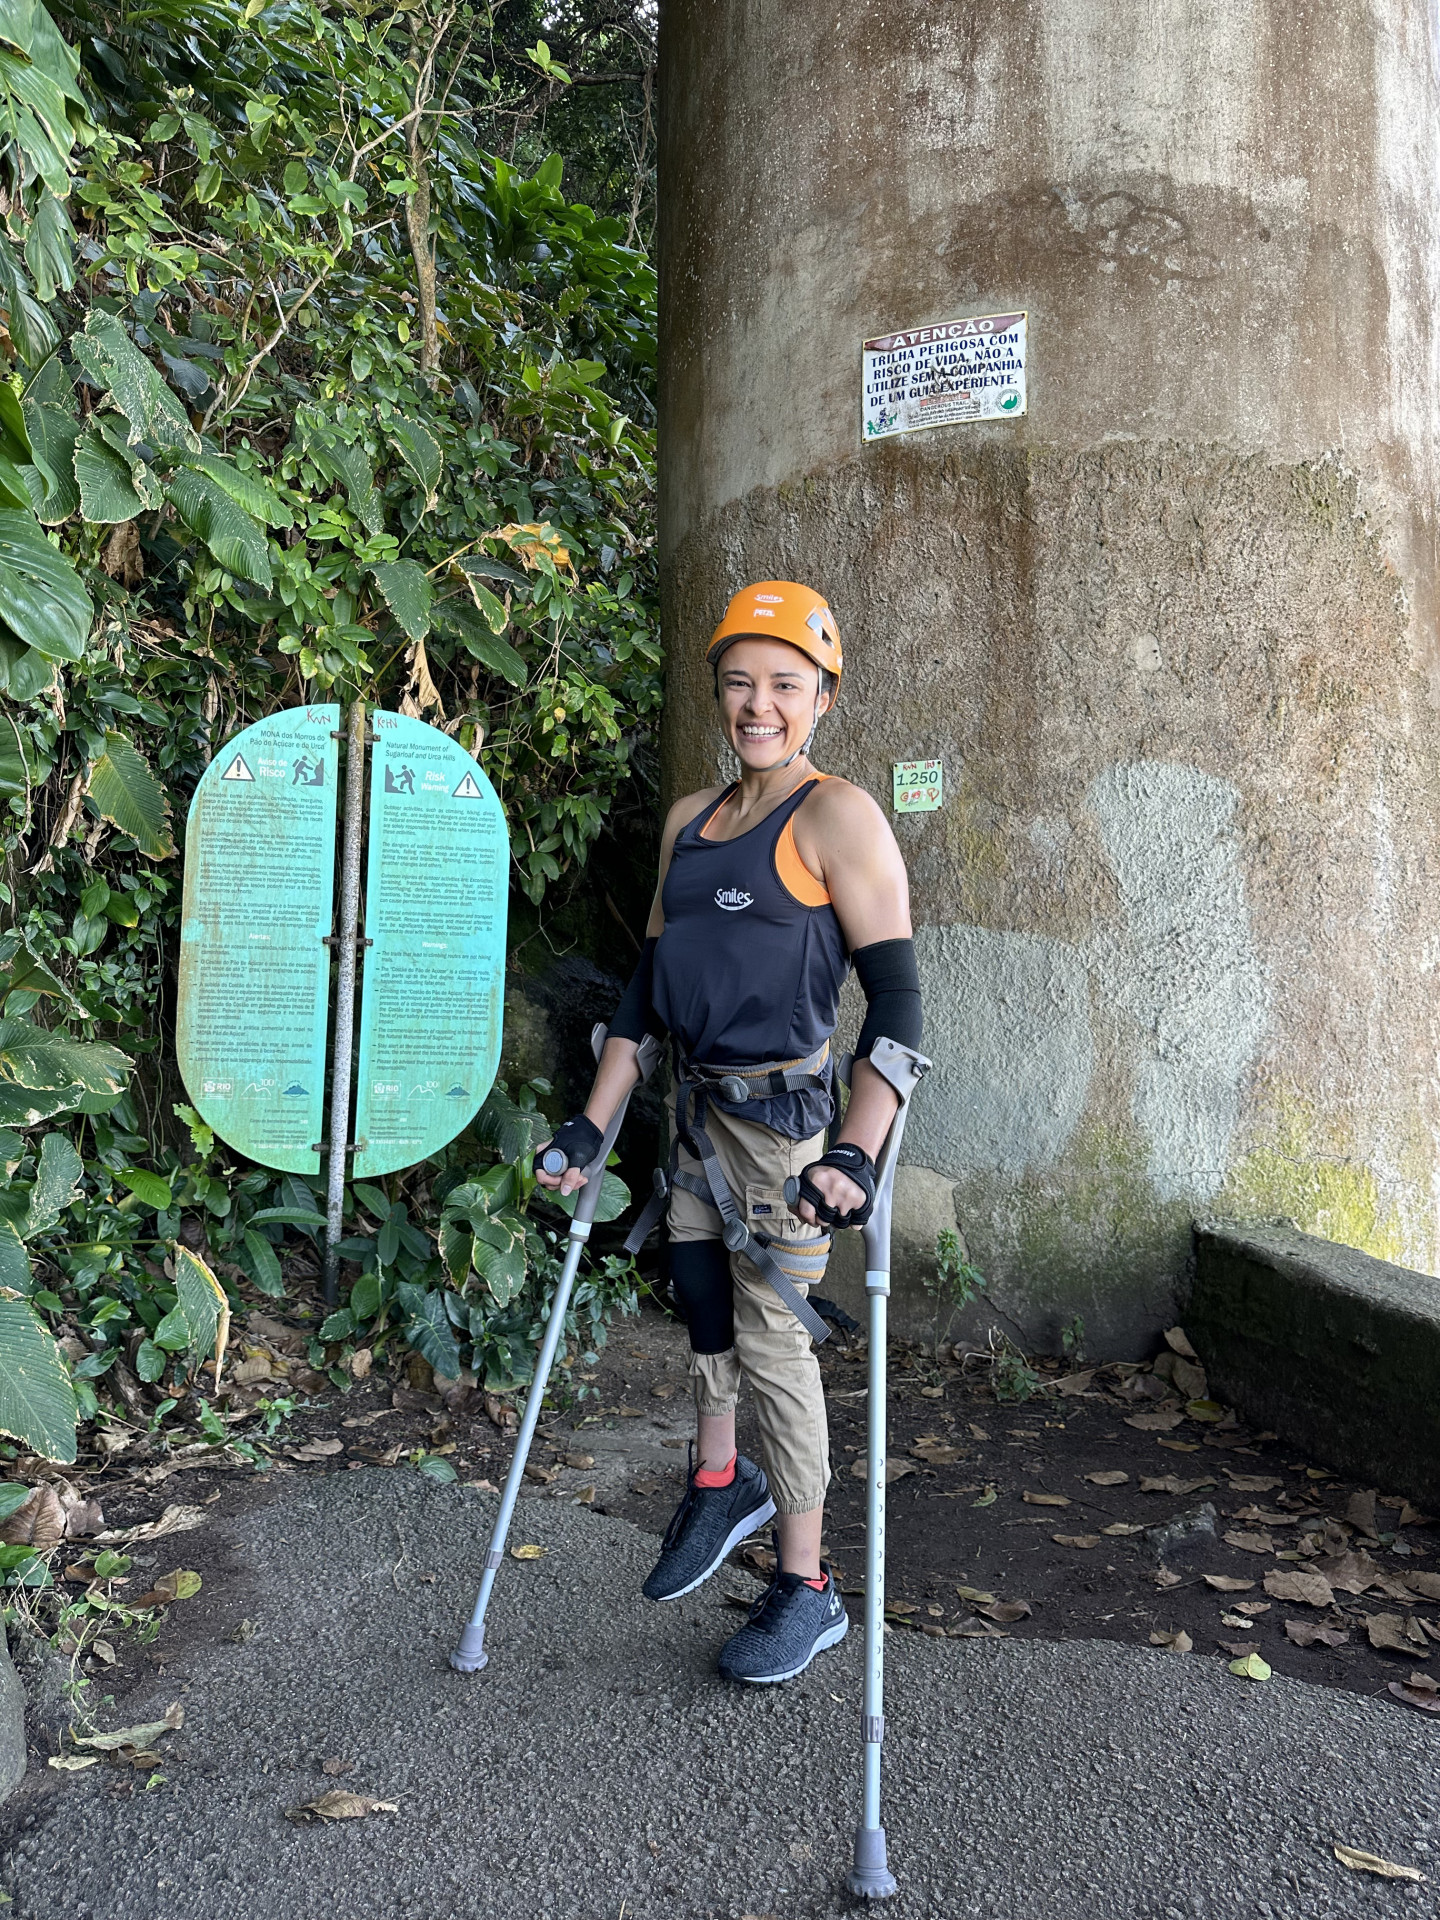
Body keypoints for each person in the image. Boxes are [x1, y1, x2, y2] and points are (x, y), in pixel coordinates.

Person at [535, 580, 922, 1685]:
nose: (760, 705)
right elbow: (645, 993)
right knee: (698, 1295)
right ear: (720, 693)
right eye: (741, 683)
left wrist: (855, 1152)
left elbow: (897, 1010)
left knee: (773, 1338)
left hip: (789, 1132)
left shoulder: (838, 816)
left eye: (785, 686)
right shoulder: (690, 824)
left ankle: (809, 1589)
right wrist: (590, 1122)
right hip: (695, 1113)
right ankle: (721, 1483)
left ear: (823, 700)